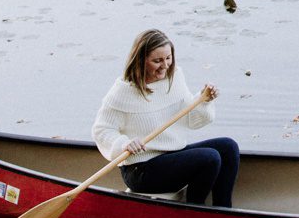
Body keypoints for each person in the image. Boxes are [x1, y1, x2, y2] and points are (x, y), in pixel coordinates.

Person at [92, 29, 239, 207]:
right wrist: (124, 143)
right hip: (141, 169)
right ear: (141, 60)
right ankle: (195, 211)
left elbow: (192, 120)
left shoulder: (174, 78)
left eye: (168, 58)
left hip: (171, 155)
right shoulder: (122, 92)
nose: (165, 65)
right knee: (209, 158)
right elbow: (101, 131)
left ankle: (223, 211)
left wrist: (203, 101)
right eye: (157, 61)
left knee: (228, 147)